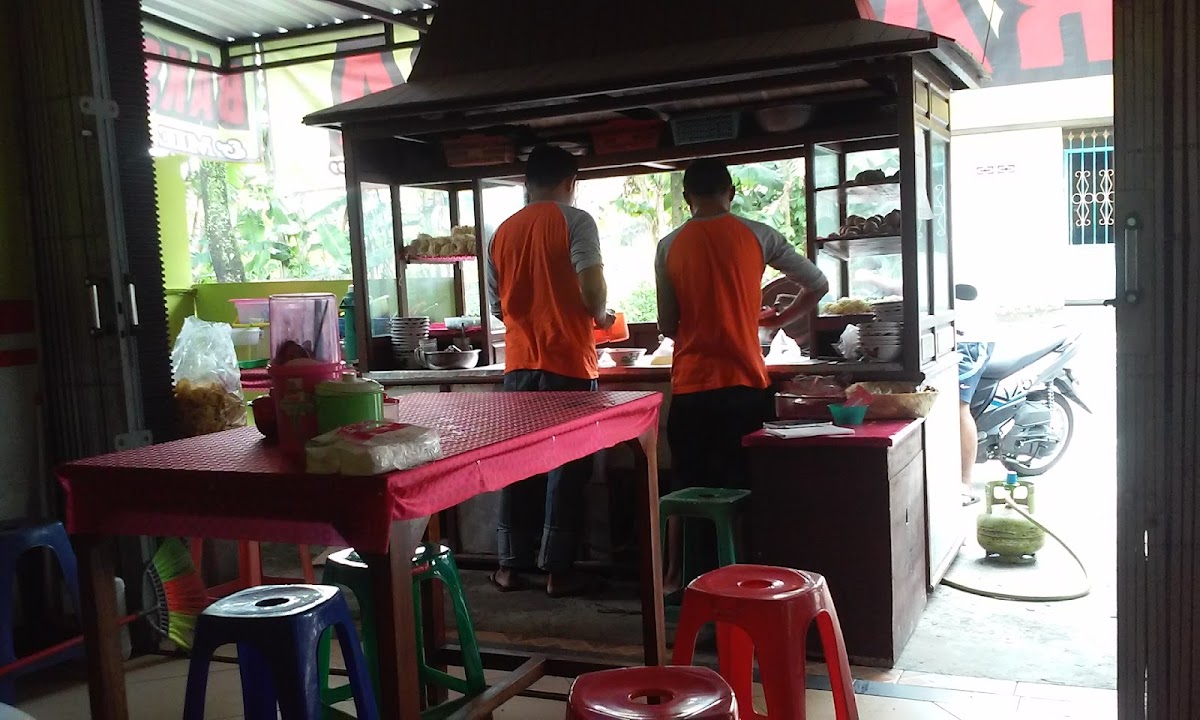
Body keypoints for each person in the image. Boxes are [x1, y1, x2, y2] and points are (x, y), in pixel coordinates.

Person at [655, 158, 829, 591]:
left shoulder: (669, 245)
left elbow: (667, 324)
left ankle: (675, 579)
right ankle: (745, 578)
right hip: (745, 383)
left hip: (692, 385)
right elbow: (818, 283)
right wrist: (779, 319)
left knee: (685, 485)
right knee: (743, 485)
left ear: (687, 197)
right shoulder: (759, 235)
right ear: (730, 193)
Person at [484, 145, 615, 597]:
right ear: (570, 183)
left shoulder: (502, 233)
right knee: (567, 468)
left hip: (519, 366)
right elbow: (592, 287)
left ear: (527, 184)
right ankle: (558, 571)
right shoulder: (576, 221)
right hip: (568, 364)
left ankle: (509, 566)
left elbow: (498, 306)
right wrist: (601, 316)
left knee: (519, 463)